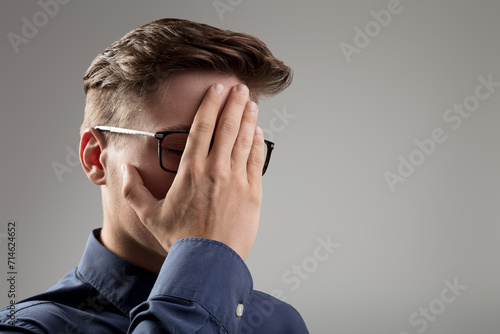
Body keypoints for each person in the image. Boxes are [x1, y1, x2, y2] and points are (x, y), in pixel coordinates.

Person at [0, 18, 309, 333]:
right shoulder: (26, 328)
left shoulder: (279, 323)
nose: (215, 179)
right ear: (96, 157)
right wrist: (204, 254)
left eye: (233, 151)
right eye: (181, 149)